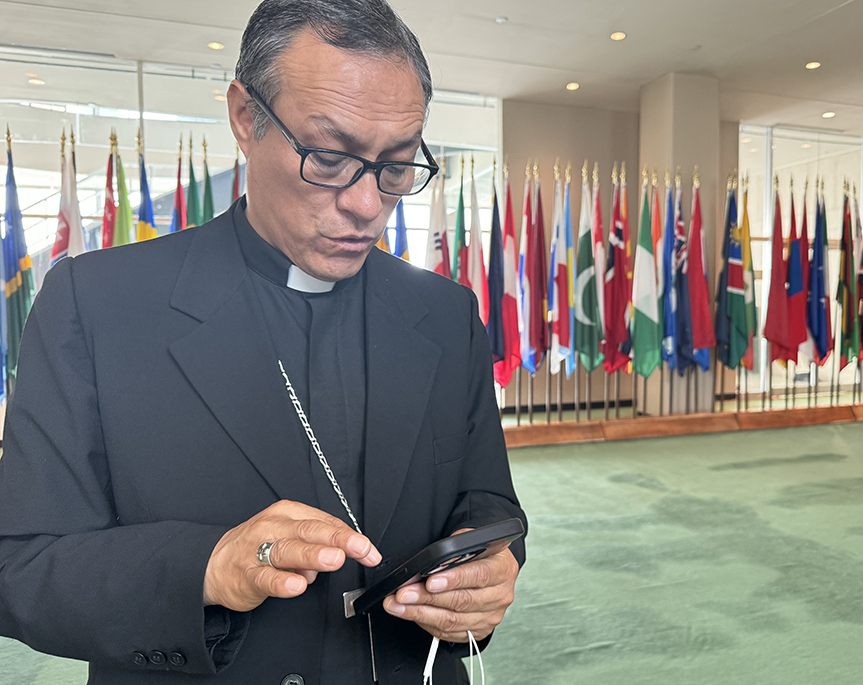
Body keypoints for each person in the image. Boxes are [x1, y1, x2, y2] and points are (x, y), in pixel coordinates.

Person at [0, 1, 526, 683]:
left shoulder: (446, 312)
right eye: (330, 157)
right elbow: (21, 566)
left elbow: (489, 503)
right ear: (246, 119)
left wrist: (488, 570)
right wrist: (210, 567)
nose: (369, 205)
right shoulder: (94, 304)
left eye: (397, 165)